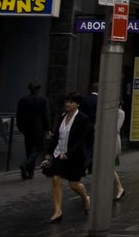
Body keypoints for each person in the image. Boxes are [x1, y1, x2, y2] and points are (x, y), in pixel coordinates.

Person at [46, 93, 92, 223]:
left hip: (74, 156)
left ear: (77, 104)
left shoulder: (83, 119)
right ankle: (57, 211)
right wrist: (49, 152)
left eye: (71, 102)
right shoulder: (62, 116)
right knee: (56, 179)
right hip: (59, 153)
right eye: (67, 102)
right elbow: (56, 137)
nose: (68, 104)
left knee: (74, 184)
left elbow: (81, 139)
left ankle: (85, 198)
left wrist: (69, 154)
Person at [16, 81, 51, 180]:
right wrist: (48, 128)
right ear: (38, 89)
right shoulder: (43, 100)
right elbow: (46, 115)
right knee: (38, 149)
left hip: (27, 129)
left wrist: (21, 127)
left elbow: (19, 115)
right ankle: (26, 164)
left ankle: (30, 172)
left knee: (29, 149)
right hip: (39, 129)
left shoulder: (23, 100)